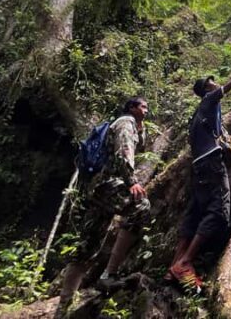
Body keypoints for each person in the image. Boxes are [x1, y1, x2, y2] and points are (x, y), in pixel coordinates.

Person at [56, 97, 151, 317]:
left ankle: (63, 307)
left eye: (147, 107)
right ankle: (109, 274)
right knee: (141, 207)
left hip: (96, 190)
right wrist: (132, 182)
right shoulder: (125, 123)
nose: (146, 111)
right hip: (108, 185)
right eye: (142, 106)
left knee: (88, 244)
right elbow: (124, 154)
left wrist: (142, 128)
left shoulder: (133, 126)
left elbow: (140, 146)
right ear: (131, 108)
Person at [167, 53, 231, 290]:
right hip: (211, 165)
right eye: (210, 82)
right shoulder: (210, 100)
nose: (215, 82)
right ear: (206, 89)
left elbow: (218, 141)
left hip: (200, 167)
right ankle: (186, 262)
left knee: (195, 212)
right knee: (219, 212)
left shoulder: (207, 114)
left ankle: (174, 267)